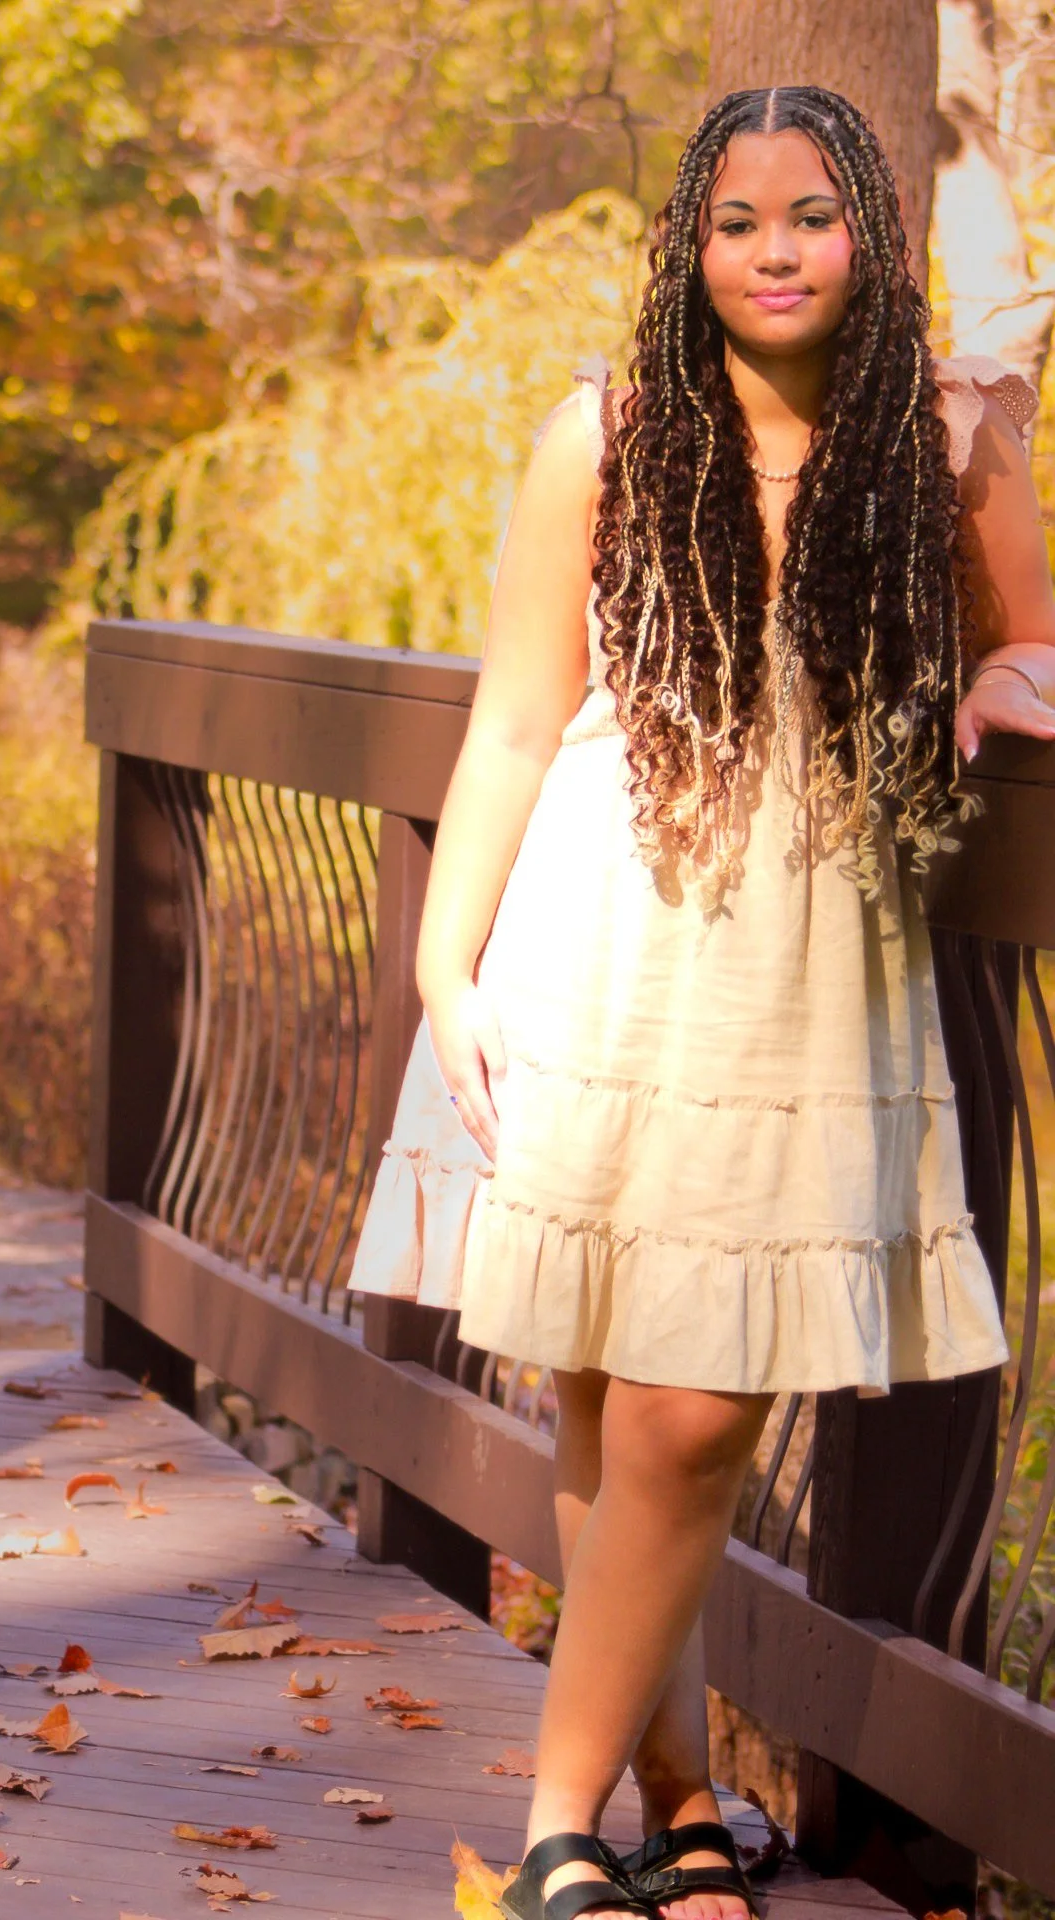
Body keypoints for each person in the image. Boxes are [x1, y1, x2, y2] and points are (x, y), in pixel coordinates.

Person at [346, 83, 1055, 1920]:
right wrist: (444, 962)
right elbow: (515, 721)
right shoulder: (611, 430)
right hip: (597, 938)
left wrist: (998, 691)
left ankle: (548, 1823)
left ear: (871, 236)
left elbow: (1031, 637)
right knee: (602, 1396)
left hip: (805, 983)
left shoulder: (958, 434)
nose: (773, 251)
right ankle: (655, 1807)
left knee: (691, 1414)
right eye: (737, 220)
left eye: (810, 215)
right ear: (694, 243)